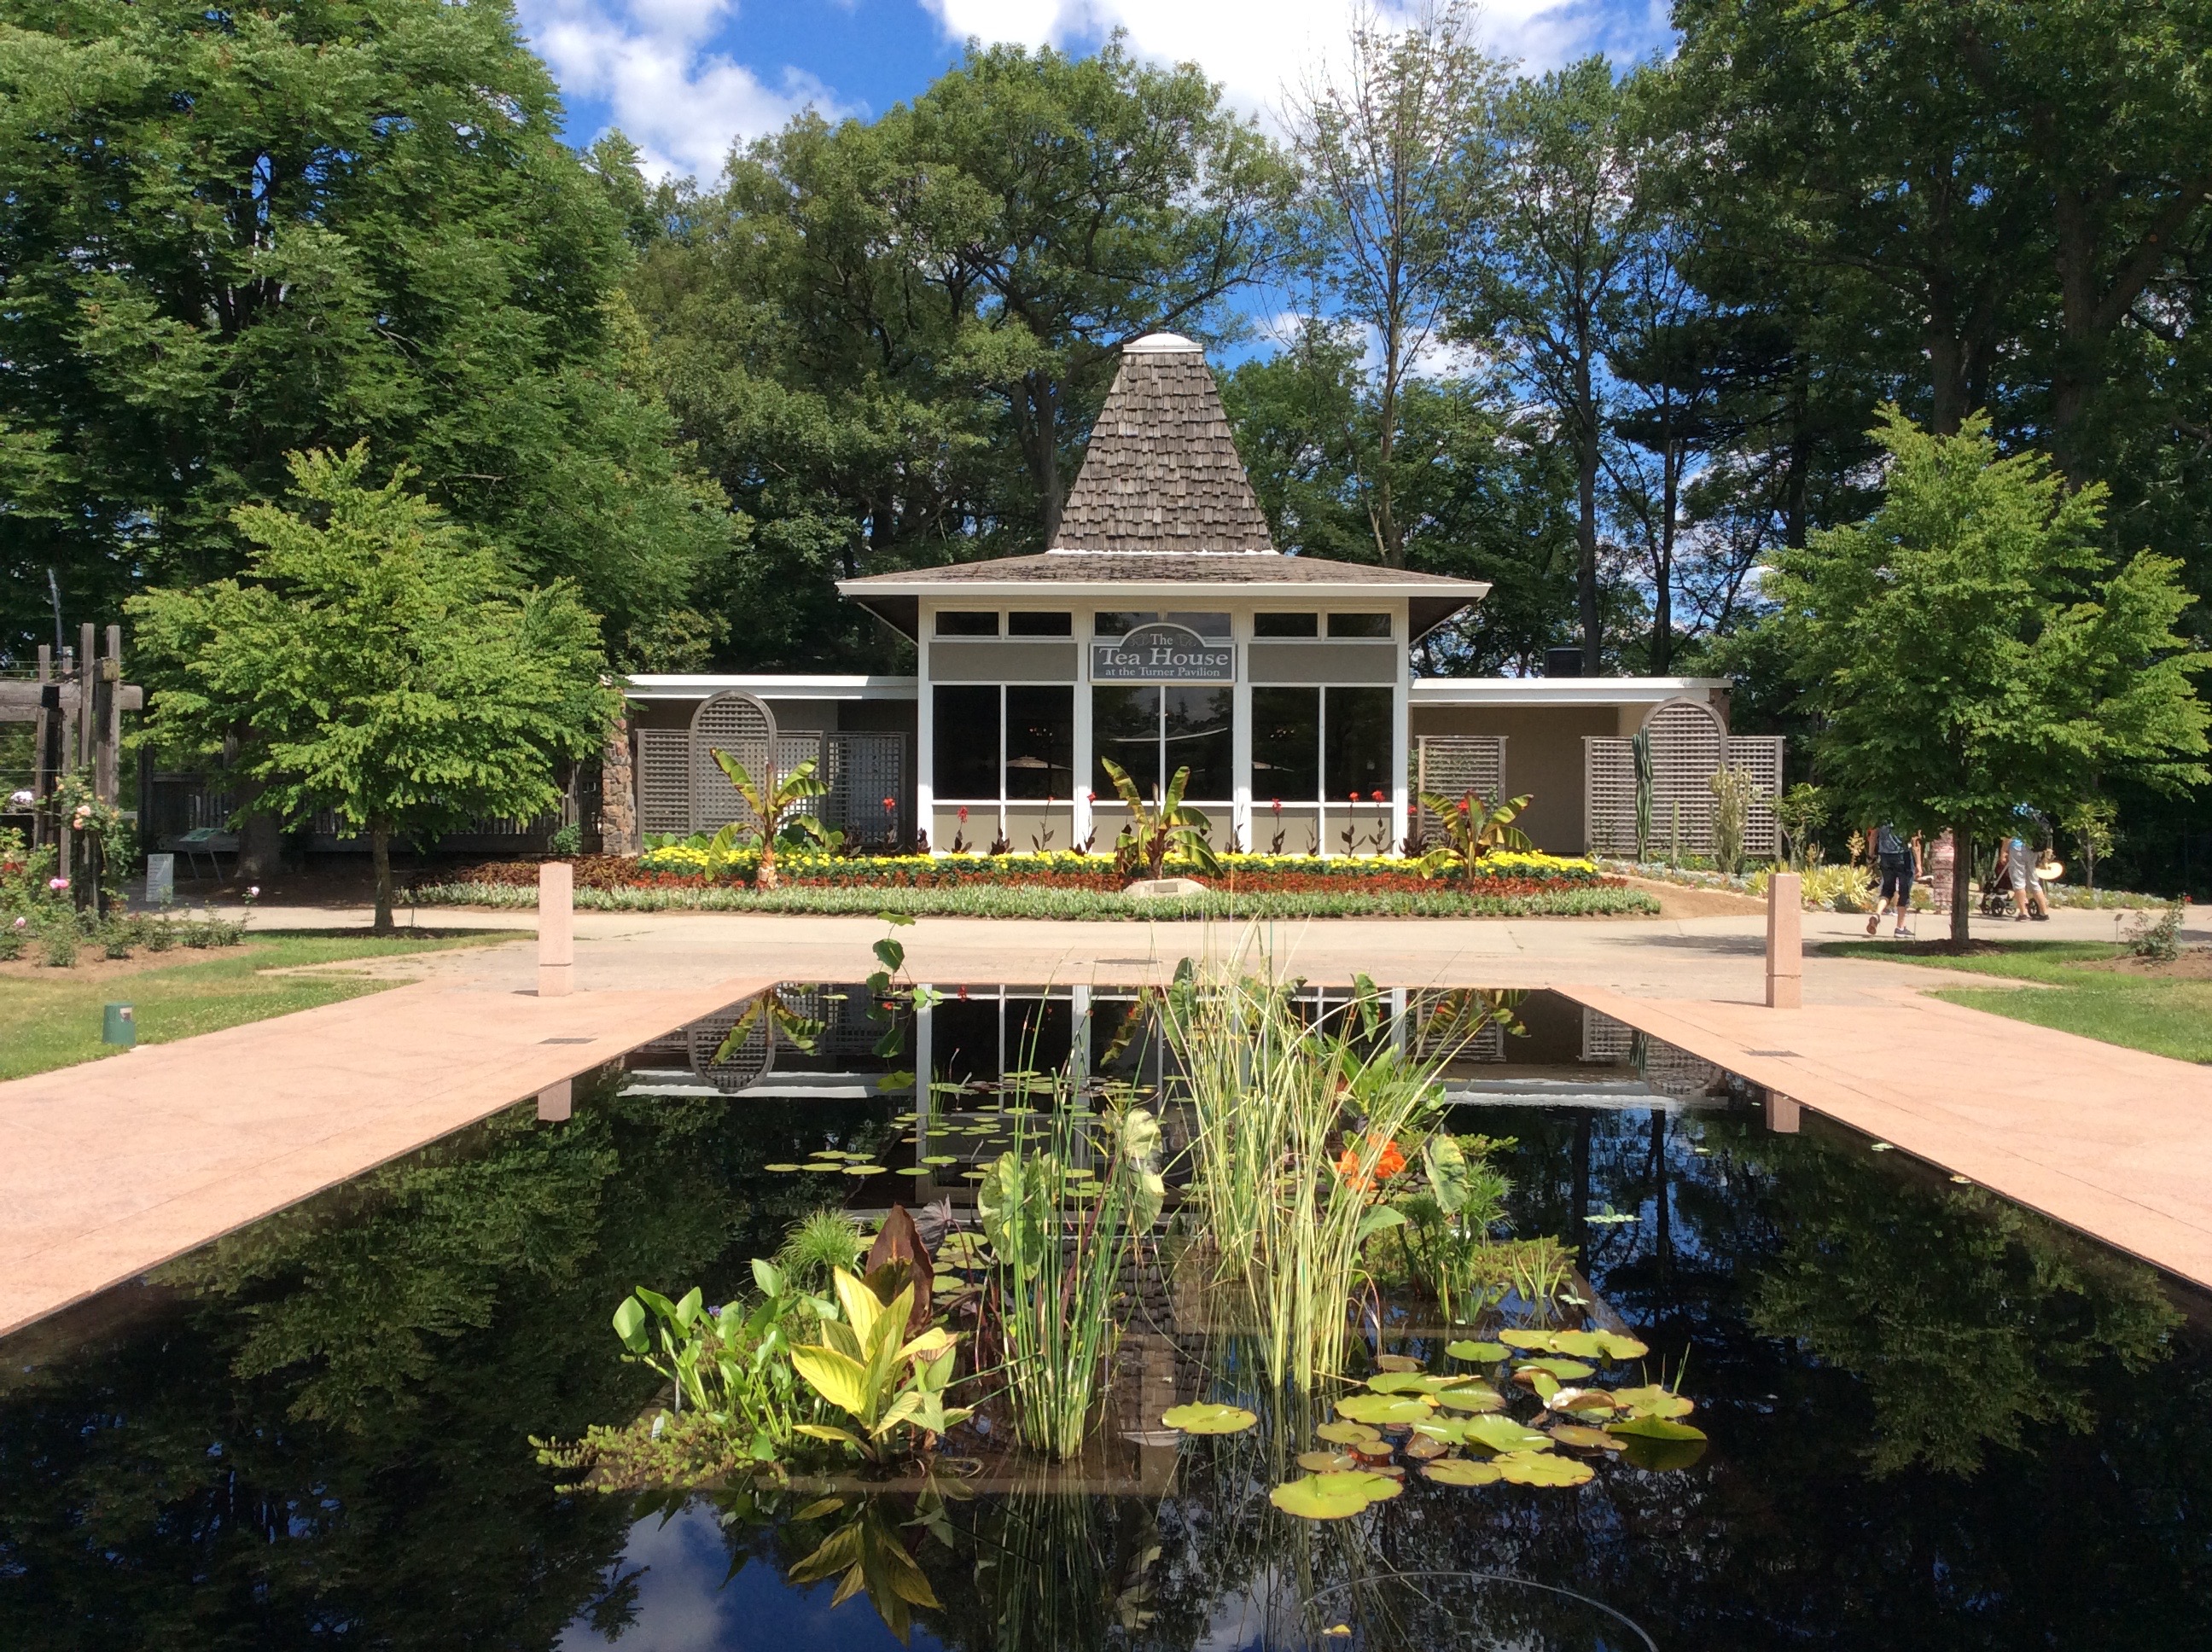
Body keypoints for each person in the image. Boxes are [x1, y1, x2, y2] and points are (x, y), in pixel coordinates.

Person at [1867, 821, 1922, 938]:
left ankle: (1877, 915)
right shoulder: (1905, 814)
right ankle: (1900, 927)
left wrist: (1871, 856)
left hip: (1885, 856)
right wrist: (1919, 864)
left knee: (1887, 888)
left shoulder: (1881, 816)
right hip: (1903, 856)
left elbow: (1873, 835)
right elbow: (1914, 841)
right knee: (1904, 890)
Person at [2006, 829, 2052, 922]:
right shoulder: (2035, 814)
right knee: (2033, 881)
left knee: (2018, 881)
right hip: (2032, 848)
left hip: (2017, 847)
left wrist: (2003, 851)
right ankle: (2044, 913)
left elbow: (2008, 834)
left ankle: (2023, 913)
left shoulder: (2015, 814)